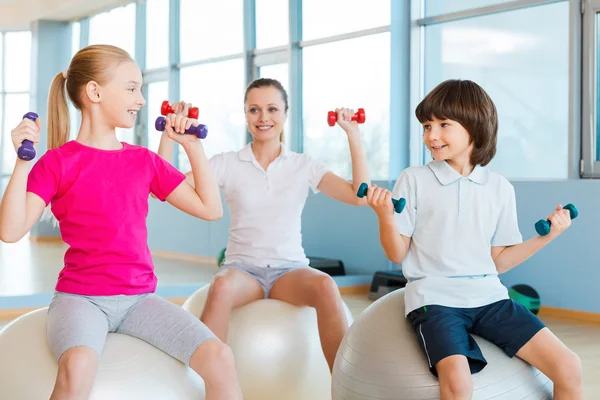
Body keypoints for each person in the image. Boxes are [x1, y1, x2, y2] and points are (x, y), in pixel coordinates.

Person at [0, 44, 242, 400]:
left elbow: (210, 208)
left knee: (220, 356)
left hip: (139, 300)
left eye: (140, 89)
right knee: (78, 364)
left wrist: (193, 146)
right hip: (80, 300)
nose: (141, 99)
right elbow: (10, 230)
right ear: (95, 92)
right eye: (131, 88)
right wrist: (22, 163)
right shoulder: (57, 162)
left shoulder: (143, 160)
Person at [365, 79, 582, 400]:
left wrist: (548, 237)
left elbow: (499, 261)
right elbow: (397, 252)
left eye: (443, 125)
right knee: (458, 383)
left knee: (569, 367)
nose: (431, 135)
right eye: (426, 126)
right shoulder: (414, 179)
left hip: (489, 296)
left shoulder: (499, 187)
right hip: (434, 299)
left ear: (475, 128)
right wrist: (384, 215)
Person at [158, 78, 370, 371]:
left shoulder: (303, 164)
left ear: (284, 114)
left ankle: (346, 385)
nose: (263, 117)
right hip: (242, 270)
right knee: (220, 287)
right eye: (254, 110)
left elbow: (358, 196)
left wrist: (353, 135)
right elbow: (167, 188)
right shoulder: (226, 162)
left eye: (272, 109)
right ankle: (202, 383)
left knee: (325, 284)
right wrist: (169, 134)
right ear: (245, 115)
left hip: (290, 270)